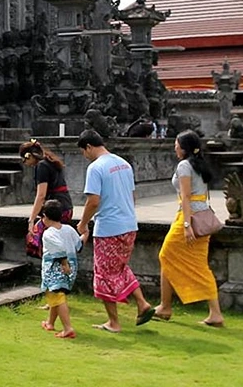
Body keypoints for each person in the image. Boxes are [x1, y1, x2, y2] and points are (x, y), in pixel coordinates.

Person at [75, 129, 156, 332]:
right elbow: (132, 196)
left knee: (103, 274)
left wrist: (83, 223)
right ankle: (142, 303)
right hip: (129, 225)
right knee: (119, 268)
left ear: (89, 147)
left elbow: (93, 201)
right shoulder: (124, 164)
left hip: (109, 228)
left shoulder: (96, 168)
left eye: (84, 152)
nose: (85, 157)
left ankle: (113, 322)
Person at [153, 130, 225, 327]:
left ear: (183, 148)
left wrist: (186, 225)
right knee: (196, 264)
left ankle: (166, 306)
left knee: (165, 255)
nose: (174, 147)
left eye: (176, 144)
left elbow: (186, 197)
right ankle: (168, 306)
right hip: (201, 217)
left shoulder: (184, 165)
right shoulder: (199, 164)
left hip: (190, 218)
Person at [20, 139, 73, 257]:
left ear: (29, 156)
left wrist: (31, 219)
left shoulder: (42, 166)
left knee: (34, 237)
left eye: (24, 159)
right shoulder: (51, 161)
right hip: (66, 207)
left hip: (56, 209)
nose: (24, 163)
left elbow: (41, 195)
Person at [39, 199, 82, 339]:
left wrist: (63, 263)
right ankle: (50, 322)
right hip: (71, 267)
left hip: (56, 267)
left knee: (56, 296)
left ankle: (68, 328)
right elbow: (78, 245)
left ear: (45, 216)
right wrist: (85, 233)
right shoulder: (69, 229)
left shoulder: (48, 233)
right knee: (57, 294)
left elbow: (58, 249)